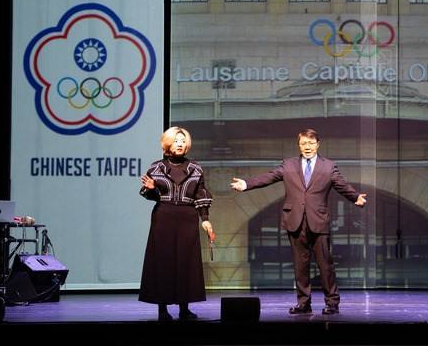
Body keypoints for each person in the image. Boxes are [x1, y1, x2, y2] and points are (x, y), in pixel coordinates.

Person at [230, 128, 366, 315]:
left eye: (311, 143)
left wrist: (355, 197)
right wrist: (246, 184)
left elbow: (341, 184)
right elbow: (269, 177)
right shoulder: (288, 164)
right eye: (303, 144)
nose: (307, 147)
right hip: (295, 220)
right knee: (300, 265)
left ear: (318, 144)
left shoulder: (328, 166)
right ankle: (304, 303)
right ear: (299, 145)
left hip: (318, 220)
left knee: (325, 264)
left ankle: (332, 303)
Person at [139, 126, 215, 321]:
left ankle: (184, 308)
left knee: (186, 262)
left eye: (182, 141)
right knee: (163, 261)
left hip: (187, 217)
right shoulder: (156, 168)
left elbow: (200, 195)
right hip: (164, 216)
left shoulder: (195, 168)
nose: (179, 144)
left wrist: (205, 220)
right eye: (175, 141)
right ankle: (162, 309)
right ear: (167, 144)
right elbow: (151, 196)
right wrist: (152, 189)